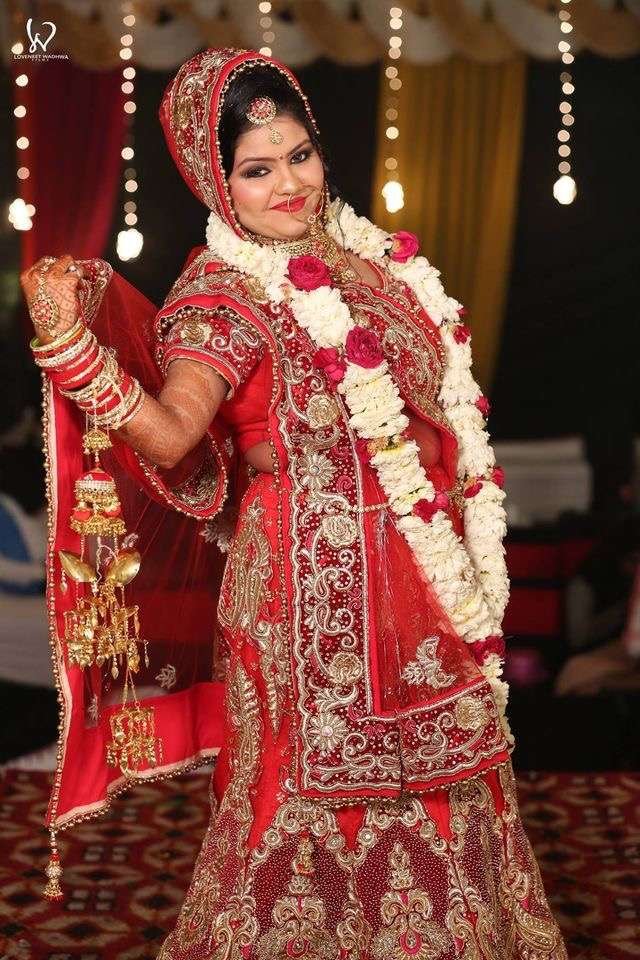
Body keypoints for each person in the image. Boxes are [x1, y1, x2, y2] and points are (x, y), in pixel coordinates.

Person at [22, 48, 567, 959]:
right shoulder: (224, 293)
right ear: (216, 182)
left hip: (415, 565)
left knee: (452, 768)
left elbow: (433, 414)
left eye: (300, 154)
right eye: (257, 169)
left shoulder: (369, 261)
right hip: (306, 583)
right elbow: (170, 435)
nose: (289, 184)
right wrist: (72, 352)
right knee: (302, 787)